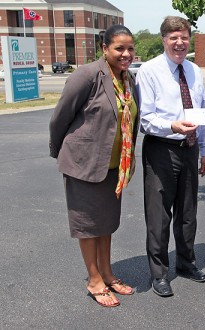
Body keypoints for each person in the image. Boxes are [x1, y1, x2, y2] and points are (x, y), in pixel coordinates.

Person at [49, 24, 139, 307]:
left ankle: (108, 273)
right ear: (104, 49)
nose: (126, 54)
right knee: (88, 225)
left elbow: (132, 120)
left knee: (105, 224)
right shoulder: (87, 76)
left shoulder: (128, 79)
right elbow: (60, 118)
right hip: (84, 165)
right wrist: (61, 152)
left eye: (130, 48)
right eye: (119, 48)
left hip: (114, 166)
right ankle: (94, 280)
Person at [136, 16, 205, 298]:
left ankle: (186, 263)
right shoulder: (150, 70)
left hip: (190, 147)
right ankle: (159, 273)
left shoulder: (193, 70)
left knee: (188, 213)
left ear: (189, 38)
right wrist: (171, 126)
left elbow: (201, 109)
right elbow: (145, 118)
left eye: (184, 37)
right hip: (161, 148)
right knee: (159, 216)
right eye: (173, 38)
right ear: (163, 39)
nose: (179, 43)